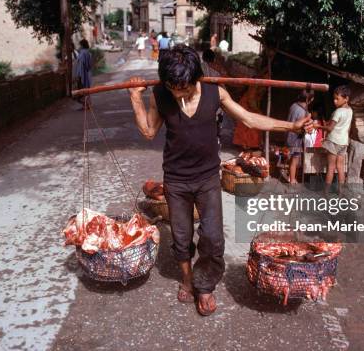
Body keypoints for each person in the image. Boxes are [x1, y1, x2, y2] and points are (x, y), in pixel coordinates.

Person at [127, 45, 311, 316]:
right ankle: (188, 279)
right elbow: (148, 131)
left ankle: (204, 285)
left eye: (184, 87)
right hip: (176, 180)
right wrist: (134, 97)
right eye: (173, 87)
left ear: (196, 79)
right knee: (181, 237)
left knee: (213, 238)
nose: (179, 93)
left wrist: (291, 126)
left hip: (207, 178)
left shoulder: (215, 92)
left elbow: (249, 119)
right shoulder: (161, 95)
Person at [316, 85, 353, 190]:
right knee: (340, 167)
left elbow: (329, 128)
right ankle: (341, 193)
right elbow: (346, 127)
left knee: (331, 167)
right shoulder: (350, 111)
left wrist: (318, 126)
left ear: (346, 99)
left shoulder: (338, 112)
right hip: (343, 142)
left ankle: (326, 193)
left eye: (337, 99)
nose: (334, 101)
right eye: (334, 98)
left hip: (334, 142)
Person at [286, 90, 314, 184]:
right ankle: (292, 180)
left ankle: (292, 177)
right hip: (296, 139)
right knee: (294, 161)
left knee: (293, 160)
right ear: (310, 100)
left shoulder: (293, 105)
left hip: (289, 136)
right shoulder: (304, 112)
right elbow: (304, 128)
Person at [232, 85, 266, 150]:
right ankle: (247, 145)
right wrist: (257, 111)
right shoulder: (255, 84)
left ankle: (249, 145)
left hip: (251, 107)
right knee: (248, 127)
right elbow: (251, 99)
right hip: (247, 107)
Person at [72, 39, 93, 110]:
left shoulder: (83, 53)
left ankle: (86, 105)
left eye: (80, 45)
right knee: (84, 91)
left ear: (82, 45)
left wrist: (79, 75)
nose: (79, 46)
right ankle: (86, 105)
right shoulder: (87, 53)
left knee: (81, 91)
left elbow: (84, 65)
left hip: (82, 75)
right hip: (85, 75)